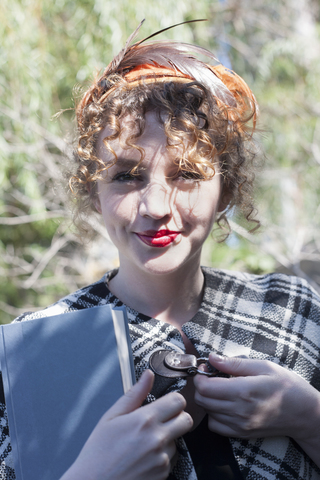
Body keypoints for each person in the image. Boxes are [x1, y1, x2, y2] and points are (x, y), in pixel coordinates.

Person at [1, 20, 320, 480]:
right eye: (127, 176)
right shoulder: (36, 348)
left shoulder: (293, 310)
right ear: (95, 193)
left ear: (226, 189)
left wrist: (309, 419)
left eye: (187, 173)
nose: (155, 206)